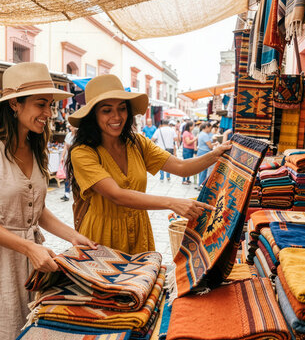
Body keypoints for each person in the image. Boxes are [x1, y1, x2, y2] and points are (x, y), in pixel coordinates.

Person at [0, 62, 96, 340]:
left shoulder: (34, 145)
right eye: (41, 104)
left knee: (28, 330)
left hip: (30, 260)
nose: (48, 113)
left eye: (50, 105)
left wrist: (73, 236)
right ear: (15, 105)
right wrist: (28, 248)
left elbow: (36, 209)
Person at [65, 74, 231, 254]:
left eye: (122, 108)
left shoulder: (137, 143)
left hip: (138, 232)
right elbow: (116, 195)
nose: (117, 116)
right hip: (101, 236)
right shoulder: (82, 152)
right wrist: (172, 203)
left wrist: (215, 155)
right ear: (93, 115)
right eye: (107, 110)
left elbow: (182, 168)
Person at [196, 122, 215, 187]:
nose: (210, 130)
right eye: (210, 128)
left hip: (201, 152)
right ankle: (201, 185)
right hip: (204, 152)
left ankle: (199, 184)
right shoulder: (205, 135)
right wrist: (215, 145)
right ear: (207, 127)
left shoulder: (201, 133)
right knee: (203, 170)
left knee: (201, 170)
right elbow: (210, 146)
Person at [61, 123, 76, 201]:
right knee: (67, 176)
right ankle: (66, 194)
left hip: (75, 160)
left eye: (71, 126)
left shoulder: (78, 136)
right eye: (69, 126)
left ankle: (75, 193)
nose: (70, 127)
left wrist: (70, 147)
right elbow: (65, 147)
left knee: (75, 177)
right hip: (68, 159)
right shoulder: (68, 135)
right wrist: (62, 157)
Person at [181, 121, 197, 185]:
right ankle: (184, 180)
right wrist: (195, 139)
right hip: (187, 150)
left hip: (190, 150)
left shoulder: (190, 133)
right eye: (193, 126)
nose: (193, 127)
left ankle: (188, 179)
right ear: (190, 126)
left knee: (189, 165)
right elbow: (188, 142)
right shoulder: (186, 133)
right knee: (186, 165)